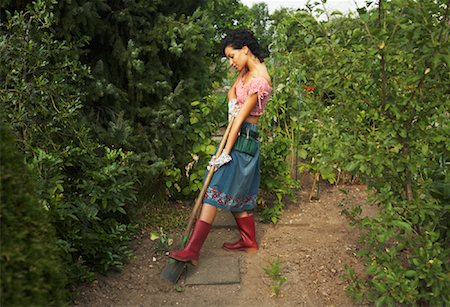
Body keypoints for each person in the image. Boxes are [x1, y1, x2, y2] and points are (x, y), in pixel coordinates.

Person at [168, 29, 272, 266]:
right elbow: (231, 94)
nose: (231, 62)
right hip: (236, 136)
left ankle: (192, 250)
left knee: (215, 186)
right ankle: (249, 241)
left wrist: (224, 153)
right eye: (227, 58)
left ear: (245, 49)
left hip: (243, 140)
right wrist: (233, 100)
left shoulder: (260, 81)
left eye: (232, 56)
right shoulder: (247, 71)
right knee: (234, 190)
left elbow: (238, 120)